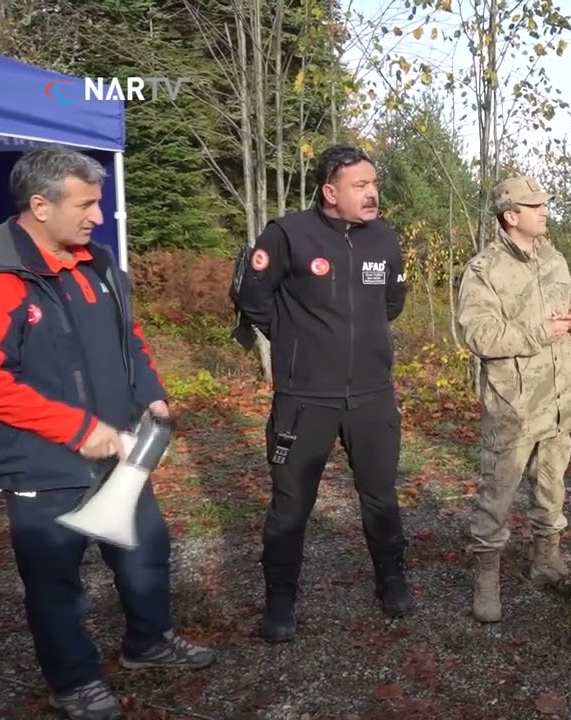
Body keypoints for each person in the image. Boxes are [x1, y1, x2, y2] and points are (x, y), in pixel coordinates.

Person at [0, 146, 216, 720]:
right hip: (42, 462)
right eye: (85, 204)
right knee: (56, 581)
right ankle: (74, 681)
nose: (97, 215)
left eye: (99, 202)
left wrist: (149, 392)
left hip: (119, 452)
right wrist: (77, 427)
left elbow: (129, 340)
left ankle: (149, 641)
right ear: (40, 206)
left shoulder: (102, 264)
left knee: (145, 550)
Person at [230, 144, 413, 643]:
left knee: (380, 498)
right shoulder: (288, 234)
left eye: (373, 183)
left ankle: (391, 582)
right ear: (330, 192)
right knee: (291, 506)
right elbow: (253, 297)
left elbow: (391, 302)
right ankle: (280, 603)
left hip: (372, 397)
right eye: (361, 185)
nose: (372, 193)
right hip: (304, 398)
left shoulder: (385, 239)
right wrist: (297, 343)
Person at [455, 175, 571, 623]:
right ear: (511, 216)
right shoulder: (485, 269)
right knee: (498, 493)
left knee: (552, 486)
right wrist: (538, 332)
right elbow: (476, 333)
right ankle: (487, 578)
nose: (544, 210)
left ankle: (545, 558)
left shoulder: (555, 259)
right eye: (535, 206)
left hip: (558, 402)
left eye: (544, 204)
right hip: (514, 406)